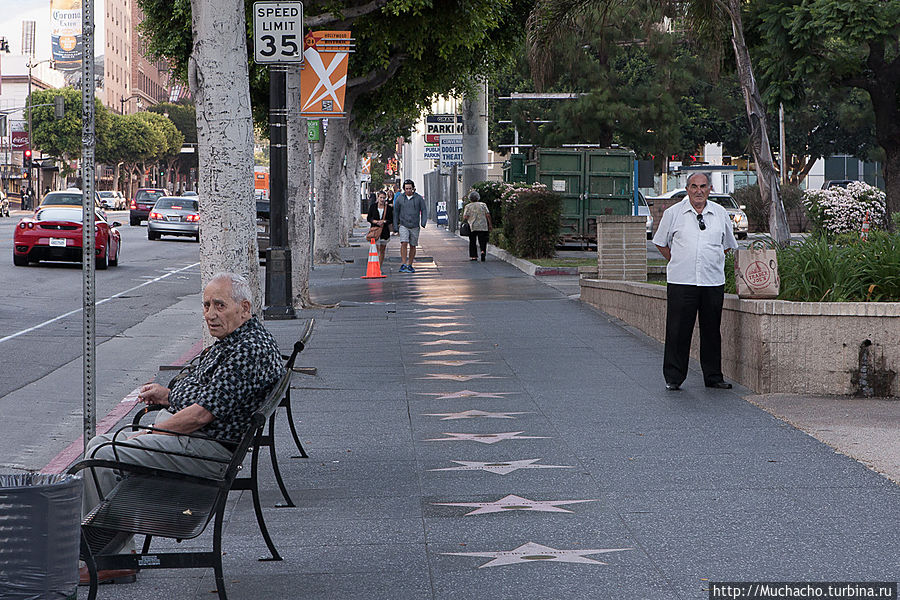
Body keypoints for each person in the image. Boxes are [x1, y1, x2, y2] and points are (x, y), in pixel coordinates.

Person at [79, 272, 284, 585]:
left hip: (208, 452)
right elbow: (196, 390)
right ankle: (110, 553)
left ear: (244, 309)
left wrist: (150, 435)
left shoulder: (247, 351)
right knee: (101, 446)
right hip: (200, 440)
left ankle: (111, 559)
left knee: (101, 454)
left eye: (219, 305)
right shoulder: (236, 340)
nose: (210, 314)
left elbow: (200, 415)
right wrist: (168, 396)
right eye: (205, 306)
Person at [652, 172, 738, 391]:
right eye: (693, 186)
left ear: (709, 189)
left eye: (703, 186)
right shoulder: (674, 213)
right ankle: (674, 377)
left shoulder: (719, 213)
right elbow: (661, 243)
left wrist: (710, 259)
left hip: (712, 281)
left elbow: (728, 244)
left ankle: (713, 377)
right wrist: (680, 260)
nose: (698, 191)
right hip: (682, 281)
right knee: (678, 330)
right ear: (687, 188)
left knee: (711, 331)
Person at [392, 179, 427, 273]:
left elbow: (424, 210)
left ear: (413, 189)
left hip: (415, 225)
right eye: (406, 188)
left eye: (410, 188)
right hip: (404, 224)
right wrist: (395, 226)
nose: (408, 190)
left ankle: (410, 264)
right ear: (404, 189)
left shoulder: (418, 198)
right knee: (404, 242)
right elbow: (395, 212)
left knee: (413, 245)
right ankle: (403, 264)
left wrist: (423, 222)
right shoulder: (400, 198)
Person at [461, 190, 492, 261]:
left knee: (472, 241)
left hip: (472, 226)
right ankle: (483, 251)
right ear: (478, 198)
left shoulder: (468, 206)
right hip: (483, 225)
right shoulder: (483, 205)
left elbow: (465, 216)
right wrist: (490, 224)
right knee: (483, 240)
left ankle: (474, 256)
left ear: (470, 199)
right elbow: (488, 215)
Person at [366, 190, 393, 265]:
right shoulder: (373, 207)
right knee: (376, 248)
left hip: (384, 231)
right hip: (375, 231)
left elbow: (391, 220)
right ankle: (375, 265)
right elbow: (369, 218)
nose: (382, 199)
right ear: (378, 198)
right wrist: (374, 221)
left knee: (382, 249)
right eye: (381, 197)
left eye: (384, 198)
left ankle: (379, 266)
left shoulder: (388, 208)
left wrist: (384, 221)